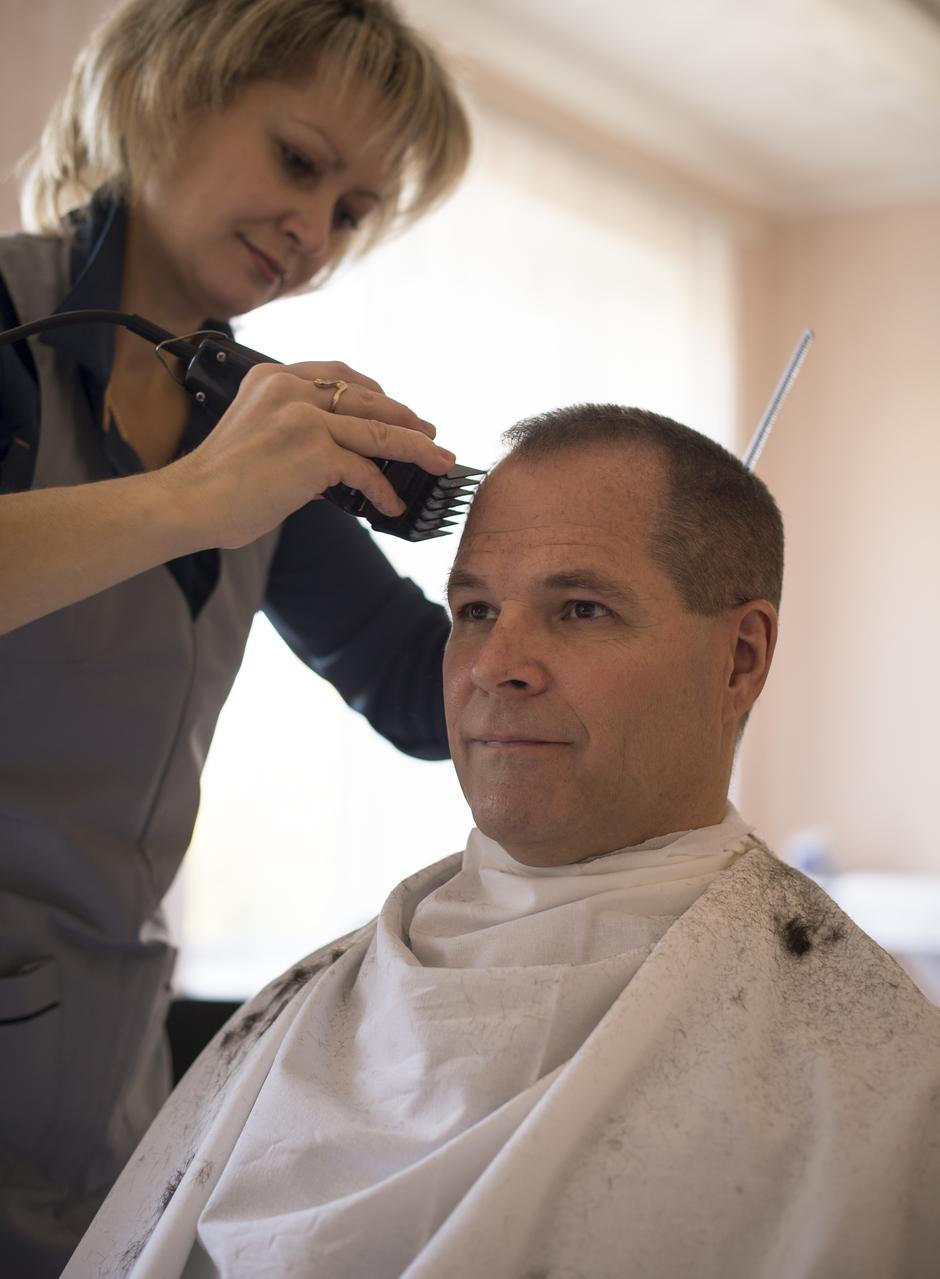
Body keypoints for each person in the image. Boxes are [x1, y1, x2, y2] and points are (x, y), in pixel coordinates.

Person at [63, 405, 940, 1279]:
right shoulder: (300, 1008)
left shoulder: (875, 1086)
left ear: (740, 659)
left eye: (582, 608)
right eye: (475, 608)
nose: (494, 662)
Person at [0, 0, 470, 1272]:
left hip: (99, 1080)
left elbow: (419, 691)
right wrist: (198, 496)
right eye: (300, 161)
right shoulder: (11, 323)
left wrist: (574, 592)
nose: (313, 233)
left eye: (356, 211)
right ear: (165, 91)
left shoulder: (255, 432)